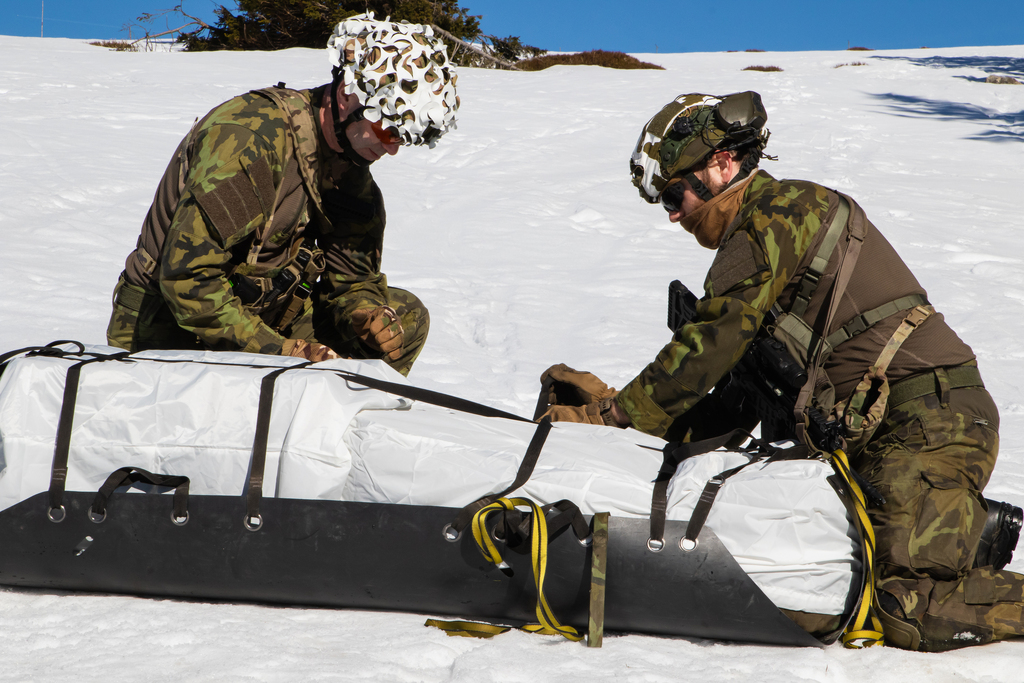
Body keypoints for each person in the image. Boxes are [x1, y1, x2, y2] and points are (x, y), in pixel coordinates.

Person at [540, 91, 1024, 651]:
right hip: (889, 434)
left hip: (930, 421)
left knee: (908, 608)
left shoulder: (775, 216)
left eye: (675, 193)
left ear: (722, 165)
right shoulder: (767, 243)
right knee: (838, 565)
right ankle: (957, 533)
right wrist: (624, 435)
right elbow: (732, 404)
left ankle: (950, 544)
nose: (673, 213)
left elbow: (706, 349)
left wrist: (612, 414)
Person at [106, 14, 459, 375]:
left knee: (407, 316)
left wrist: (366, 316)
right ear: (346, 96)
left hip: (266, 317)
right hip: (170, 326)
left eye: (402, 138)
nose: (392, 149)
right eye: (387, 131)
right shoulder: (251, 139)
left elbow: (353, 282)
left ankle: (328, 425)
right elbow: (187, 279)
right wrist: (283, 351)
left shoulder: (353, 182)